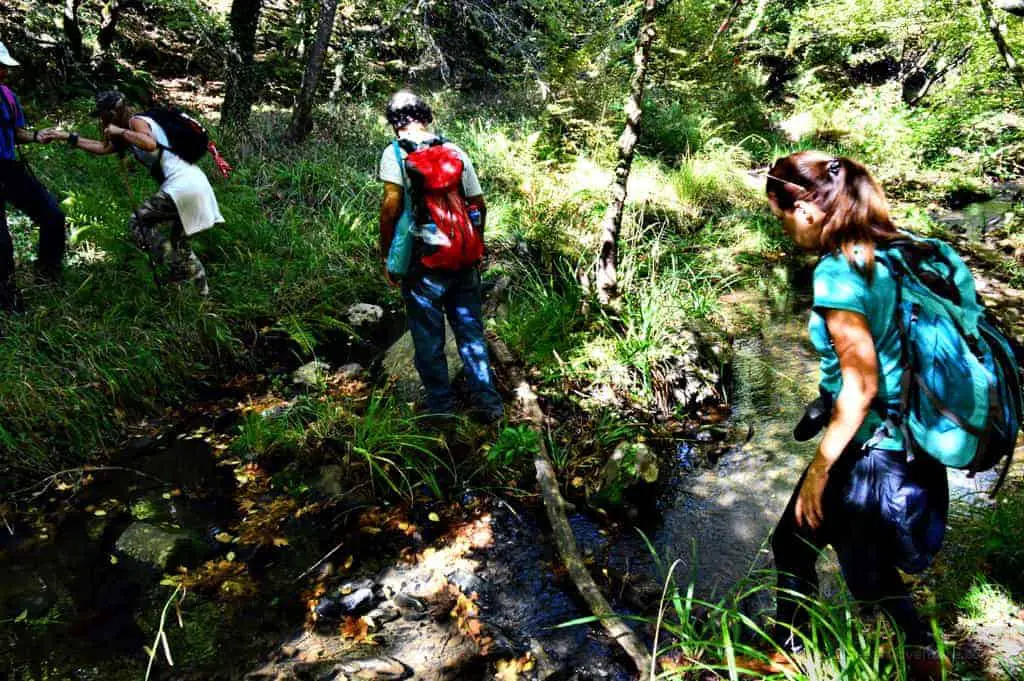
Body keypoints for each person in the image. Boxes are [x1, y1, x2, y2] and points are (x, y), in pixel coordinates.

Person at [759, 152, 949, 678]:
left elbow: (861, 385)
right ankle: (915, 649)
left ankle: (795, 651)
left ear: (807, 209)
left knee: (804, 545)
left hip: (870, 448)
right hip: (914, 438)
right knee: (859, 562)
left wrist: (820, 471)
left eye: (781, 216)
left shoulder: (840, 271)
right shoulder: (897, 250)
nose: (784, 229)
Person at [377, 91, 503, 424]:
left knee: (428, 339)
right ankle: (488, 406)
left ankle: (442, 409)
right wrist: (476, 244)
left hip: (423, 264)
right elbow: (478, 203)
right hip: (462, 256)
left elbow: (391, 207)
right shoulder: (454, 151)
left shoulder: (394, 154)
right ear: (426, 117)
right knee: (470, 332)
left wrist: (387, 254)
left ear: (394, 123)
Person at [45, 91, 222, 295]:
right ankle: (201, 296)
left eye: (103, 116)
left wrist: (119, 132)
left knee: (137, 223)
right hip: (193, 184)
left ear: (111, 114)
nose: (101, 121)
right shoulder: (129, 129)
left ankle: (177, 271)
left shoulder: (138, 122)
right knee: (180, 244)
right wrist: (67, 136)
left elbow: (149, 143)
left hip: (183, 186)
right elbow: (102, 148)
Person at [0, 40, 67, 313]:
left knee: (52, 215)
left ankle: (47, 277)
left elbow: (17, 133)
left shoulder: (7, 96)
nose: (4, 72)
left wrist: (37, 136)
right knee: (1, 242)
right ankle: (7, 302)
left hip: (7, 167)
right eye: (0, 67)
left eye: (5, 67)